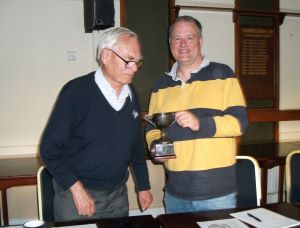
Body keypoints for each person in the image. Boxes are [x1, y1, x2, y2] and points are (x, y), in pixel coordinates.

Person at [40, 27, 153, 222]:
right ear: (106, 55)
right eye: (128, 60)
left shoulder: (131, 94)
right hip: (76, 197)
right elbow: (49, 149)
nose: (134, 68)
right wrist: (77, 191)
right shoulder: (75, 92)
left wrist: (143, 186)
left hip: (117, 196)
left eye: (137, 61)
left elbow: (134, 146)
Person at [145, 15, 248, 214]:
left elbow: (239, 123)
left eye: (190, 38)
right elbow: (152, 128)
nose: (183, 44)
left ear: (200, 41)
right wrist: (156, 149)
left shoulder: (223, 74)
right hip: (175, 192)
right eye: (177, 38)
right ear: (170, 43)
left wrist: (200, 123)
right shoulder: (160, 85)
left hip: (216, 195)